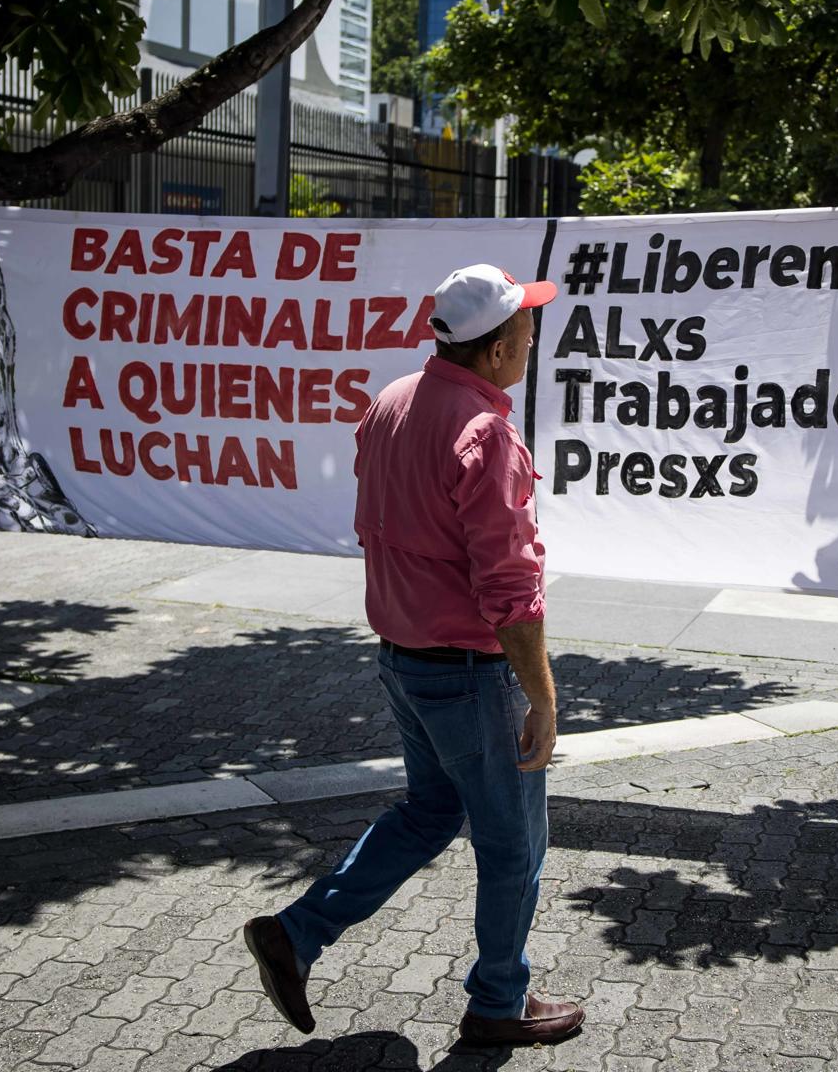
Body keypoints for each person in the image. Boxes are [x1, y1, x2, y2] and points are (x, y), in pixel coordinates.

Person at [243, 263, 584, 1048]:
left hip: (405, 661)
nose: (535, 337)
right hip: (467, 675)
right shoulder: (485, 433)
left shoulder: (393, 400)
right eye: (527, 328)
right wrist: (542, 698)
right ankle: (498, 1003)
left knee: (431, 812)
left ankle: (296, 934)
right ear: (496, 351)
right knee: (514, 845)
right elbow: (510, 589)